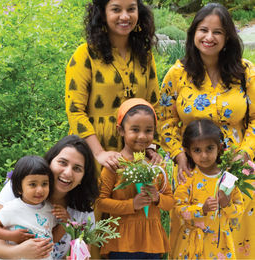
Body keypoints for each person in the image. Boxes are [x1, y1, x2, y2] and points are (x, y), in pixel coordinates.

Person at [159, 3, 255, 258]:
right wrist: (180, 156)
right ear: (193, 34)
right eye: (203, 30)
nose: (209, 37)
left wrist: (244, 154)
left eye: (218, 32)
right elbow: (165, 120)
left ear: (228, 37)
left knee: (236, 234)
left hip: (237, 171)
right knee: (193, 234)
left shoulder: (245, 72)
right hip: (192, 168)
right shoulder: (178, 73)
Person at [65, 0, 161, 174]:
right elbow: (75, 111)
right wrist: (99, 153)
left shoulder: (144, 55)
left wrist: (150, 145)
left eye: (131, 9)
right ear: (102, 13)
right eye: (116, 9)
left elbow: (153, 106)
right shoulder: (84, 55)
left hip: (133, 153)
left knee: (131, 201)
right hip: (91, 151)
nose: (125, 16)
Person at [0, 135, 99, 259]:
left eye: (77, 168)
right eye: (62, 162)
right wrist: (18, 251)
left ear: (83, 177)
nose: (67, 173)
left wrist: (67, 223)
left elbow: (81, 253)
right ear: (49, 162)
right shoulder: (22, 187)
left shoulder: (82, 211)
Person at [96, 98, 175, 259]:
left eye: (148, 130)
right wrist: (132, 204)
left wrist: (157, 197)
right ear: (121, 131)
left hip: (152, 243)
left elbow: (170, 202)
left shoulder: (156, 165)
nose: (142, 136)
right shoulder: (115, 165)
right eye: (135, 130)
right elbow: (100, 202)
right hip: (122, 243)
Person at [172, 119, 244, 259]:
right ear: (188, 151)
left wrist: (226, 205)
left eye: (209, 148)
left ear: (220, 147)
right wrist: (201, 209)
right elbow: (178, 209)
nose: (204, 155)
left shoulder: (227, 178)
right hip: (192, 245)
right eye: (197, 150)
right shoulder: (188, 178)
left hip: (220, 247)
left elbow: (239, 211)